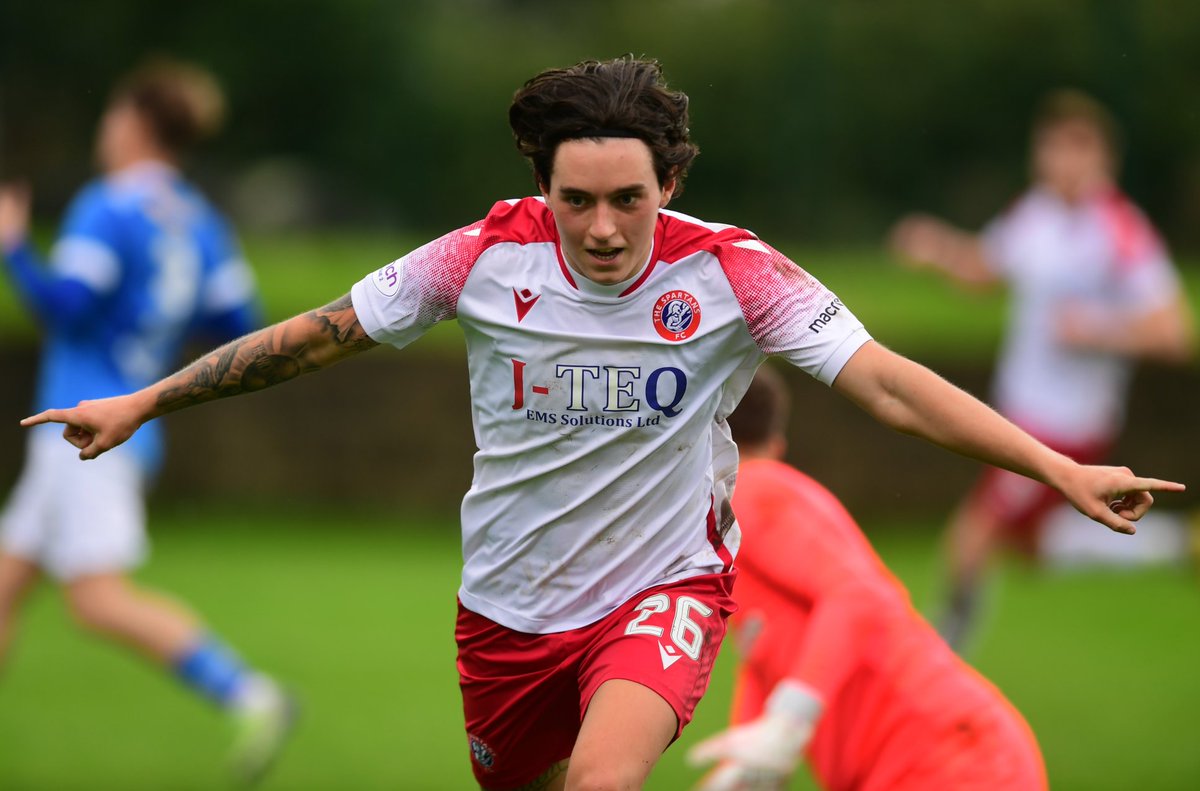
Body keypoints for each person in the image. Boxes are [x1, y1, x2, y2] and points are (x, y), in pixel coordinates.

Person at [19, 58, 1182, 791]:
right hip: (507, 611)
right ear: (544, 184)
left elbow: (884, 380)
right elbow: (318, 333)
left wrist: (1053, 462)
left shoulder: (736, 274)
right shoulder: (481, 255)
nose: (605, 226)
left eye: (629, 198)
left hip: (663, 588)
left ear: (668, 182)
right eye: (578, 199)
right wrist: (147, 399)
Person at [0, 59, 293, 785]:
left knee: (97, 599)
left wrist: (10, 246)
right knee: (3, 585)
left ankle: (252, 694)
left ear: (132, 122)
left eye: (110, 116)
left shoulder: (109, 206)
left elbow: (65, 305)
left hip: (82, 428)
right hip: (131, 425)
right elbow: (239, 322)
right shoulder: (200, 221)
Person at [889, 89, 1196, 651]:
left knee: (971, 538)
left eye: (1069, 150)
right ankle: (1181, 546)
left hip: (1069, 421)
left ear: (1101, 157)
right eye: (1048, 149)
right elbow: (986, 271)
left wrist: (1099, 328)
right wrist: (937, 249)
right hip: (1022, 411)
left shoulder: (1121, 229)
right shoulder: (1036, 212)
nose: (1055, 162)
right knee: (1034, 545)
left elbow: (1174, 331)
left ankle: (938, 659)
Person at [688, 365, 1047, 790]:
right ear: (776, 442)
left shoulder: (755, 488)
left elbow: (857, 595)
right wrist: (745, 768)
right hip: (940, 757)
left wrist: (790, 718)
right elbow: (764, 655)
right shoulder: (738, 521)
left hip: (947, 760)